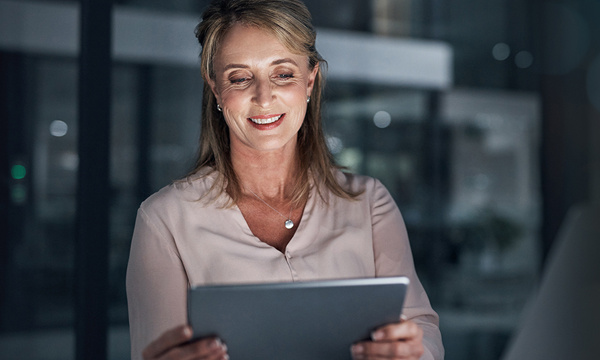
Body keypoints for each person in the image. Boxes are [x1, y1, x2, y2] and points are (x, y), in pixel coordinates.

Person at [126, 0, 444, 359]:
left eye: (283, 74)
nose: (264, 97)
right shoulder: (165, 219)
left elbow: (422, 330)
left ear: (310, 80)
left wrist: (413, 350)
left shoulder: (369, 203)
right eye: (240, 78)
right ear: (216, 89)